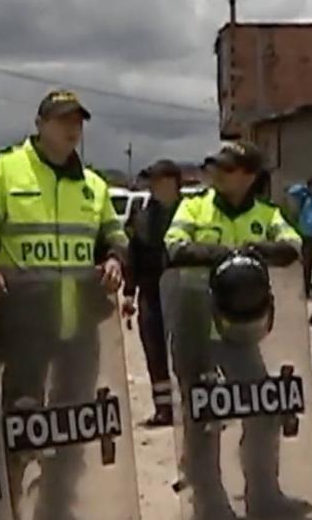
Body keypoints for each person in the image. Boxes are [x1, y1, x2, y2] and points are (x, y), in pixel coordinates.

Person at [0, 89, 131, 519]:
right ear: (40, 125)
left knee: (73, 429)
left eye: (77, 121)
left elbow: (115, 236)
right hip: (22, 330)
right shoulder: (3, 171)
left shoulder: (93, 186)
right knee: (18, 429)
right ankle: (2, 511)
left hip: (79, 329)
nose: (72, 129)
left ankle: (56, 509)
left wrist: (115, 259)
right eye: (62, 120)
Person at [163, 141, 304, 520]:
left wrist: (259, 249)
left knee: (261, 406)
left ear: (249, 175)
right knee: (202, 415)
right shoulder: (195, 207)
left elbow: (293, 244)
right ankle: (209, 502)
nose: (218, 175)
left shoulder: (266, 213)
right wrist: (224, 253)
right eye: (216, 168)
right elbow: (174, 246)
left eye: (227, 169)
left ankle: (264, 493)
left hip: (239, 329)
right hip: (194, 320)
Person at [122, 159, 183, 427]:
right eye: (152, 181)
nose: (154, 186)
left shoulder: (189, 213)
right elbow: (132, 256)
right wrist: (129, 292)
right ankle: (163, 408)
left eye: (159, 180)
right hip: (151, 292)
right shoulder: (142, 217)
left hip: (184, 292)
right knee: (154, 350)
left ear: (174, 182)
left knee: (187, 350)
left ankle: (193, 404)